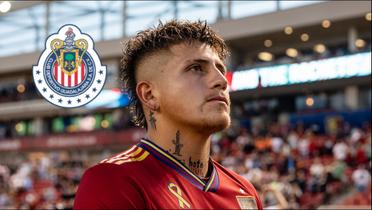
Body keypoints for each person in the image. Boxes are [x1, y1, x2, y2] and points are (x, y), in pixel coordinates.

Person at [73, 20, 263, 209]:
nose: (222, 81)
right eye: (196, 68)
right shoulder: (113, 180)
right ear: (150, 95)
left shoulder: (245, 191)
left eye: (221, 69)